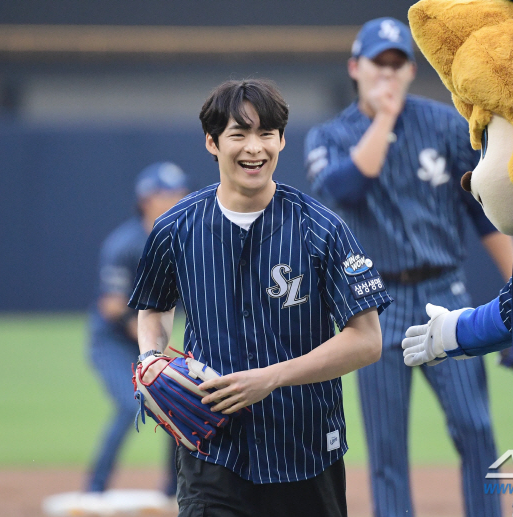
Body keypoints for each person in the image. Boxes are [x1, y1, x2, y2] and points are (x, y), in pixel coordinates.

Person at [128, 79, 392, 517]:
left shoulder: (322, 229)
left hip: (305, 453)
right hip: (212, 452)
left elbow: (367, 341)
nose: (255, 148)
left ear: (282, 140)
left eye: (266, 133)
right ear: (212, 142)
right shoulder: (175, 227)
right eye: (239, 134)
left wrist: (269, 377)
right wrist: (150, 355)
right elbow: (153, 305)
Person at [304, 17, 513, 517]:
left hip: (446, 291)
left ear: (410, 69)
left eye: (398, 63)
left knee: (475, 426)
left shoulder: (444, 125)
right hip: (373, 305)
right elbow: (346, 187)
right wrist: (383, 118)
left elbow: (482, 213)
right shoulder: (330, 136)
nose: (388, 72)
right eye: (379, 62)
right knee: (386, 446)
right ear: (356, 67)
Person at [86, 162, 190, 497]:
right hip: (115, 343)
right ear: (146, 199)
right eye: (168, 193)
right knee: (132, 406)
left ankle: (173, 492)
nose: (177, 198)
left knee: (176, 405)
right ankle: (94, 490)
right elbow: (112, 306)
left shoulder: (184, 239)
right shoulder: (125, 243)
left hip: (152, 341)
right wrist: (150, 341)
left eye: (180, 192)